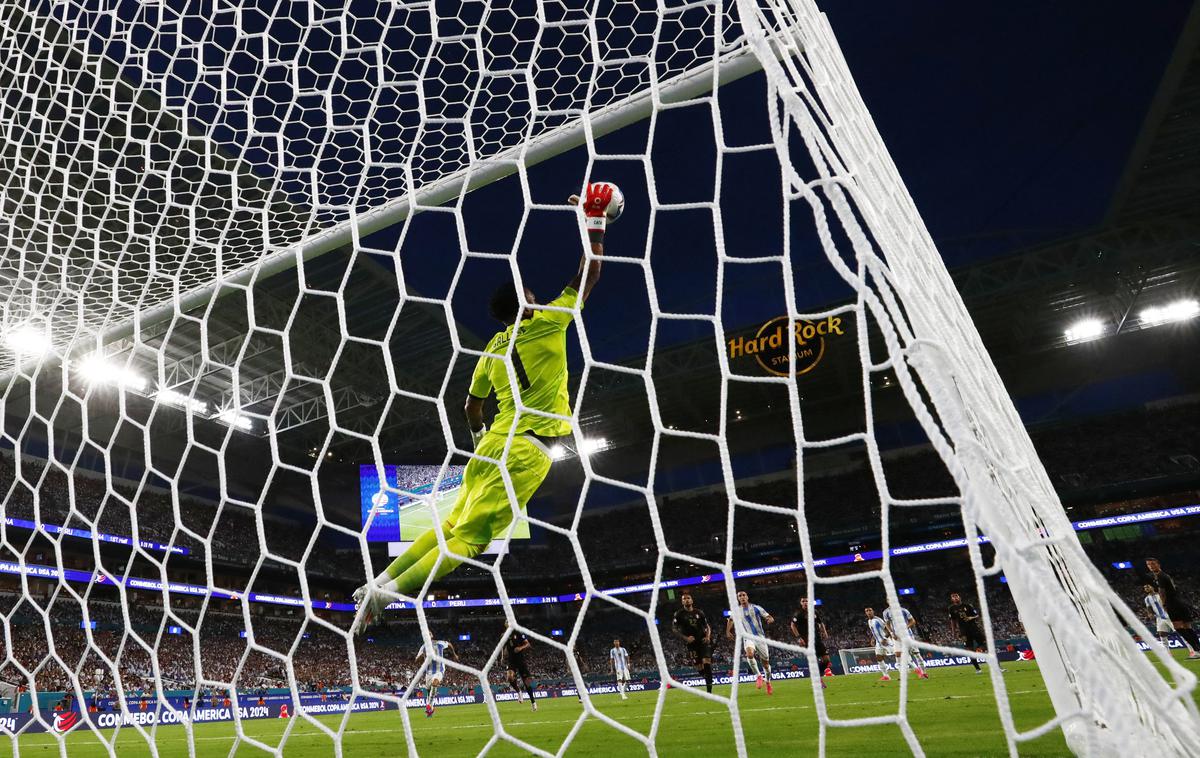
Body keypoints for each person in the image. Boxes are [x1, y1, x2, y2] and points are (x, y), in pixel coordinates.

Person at [353, 182, 617, 630]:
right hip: (526, 449)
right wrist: (594, 221)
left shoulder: (490, 351)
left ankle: (378, 580)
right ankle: (388, 595)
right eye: (531, 292)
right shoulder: (548, 324)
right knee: (471, 541)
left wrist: (482, 441)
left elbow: (470, 407)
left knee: (450, 527)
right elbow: (590, 271)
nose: (537, 294)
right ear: (527, 304)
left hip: (490, 446)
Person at [1146, 558, 1200, 658]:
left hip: (1173, 604)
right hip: (1179, 603)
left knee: (1179, 628)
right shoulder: (1165, 575)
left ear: (1158, 564)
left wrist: (1164, 605)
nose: (1151, 566)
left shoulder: (1160, 576)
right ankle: (1197, 649)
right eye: (1148, 565)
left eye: (1153, 564)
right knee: (1188, 628)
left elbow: (1162, 592)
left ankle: (1196, 650)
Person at [726, 591, 774, 695]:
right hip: (748, 637)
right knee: (749, 654)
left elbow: (768, 616)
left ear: (747, 597)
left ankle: (768, 682)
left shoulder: (757, 608)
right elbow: (730, 620)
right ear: (738, 598)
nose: (742, 597)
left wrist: (770, 619)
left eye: (744, 595)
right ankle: (758, 676)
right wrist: (728, 631)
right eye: (740, 596)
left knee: (765, 664)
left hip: (760, 638)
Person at [672, 592, 714, 693]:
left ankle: (709, 690)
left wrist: (708, 636)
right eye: (684, 598)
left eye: (688, 598)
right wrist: (686, 638)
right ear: (682, 601)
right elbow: (674, 629)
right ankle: (708, 677)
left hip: (703, 641)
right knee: (699, 667)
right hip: (691, 644)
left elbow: (707, 626)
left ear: (692, 600)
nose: (686, 600)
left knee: (706, 662)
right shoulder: (679, 614)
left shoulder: (699, 612)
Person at [947, 592, 994, 673]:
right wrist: (953, 632)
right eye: (953, 597)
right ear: (952, 599)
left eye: (956, 596)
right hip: (964, 632)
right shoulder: (951, 608)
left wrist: (970, 618)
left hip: (974, 629)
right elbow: (952, 621)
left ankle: (980, 651)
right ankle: (978, 669)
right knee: (969, 650)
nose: (955, 598)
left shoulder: (968, 605)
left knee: (985, 645)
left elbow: (977, 615)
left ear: (959, 597)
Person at [790, 597, 831, 688]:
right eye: (803, 601)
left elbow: (821, 622)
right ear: (801, 603)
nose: (805, 602)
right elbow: (793, 625)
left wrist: (824, 632)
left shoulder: (814, 612)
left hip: (817, 639)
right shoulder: (798, 614)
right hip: (807, 640)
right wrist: (799, 638)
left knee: (826, 659)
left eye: (807, 601)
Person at [882, 605, 929, 679]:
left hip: (908, 636)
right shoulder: (886, 612)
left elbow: (913, 621)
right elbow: (887, 624)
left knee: (916, 654)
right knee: (898, 655)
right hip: (897, 638)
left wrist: (906, 627)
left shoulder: (904, 610)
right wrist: (891, 633)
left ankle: (924, 673)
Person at [414, 639, 458, 717]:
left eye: (430, 633)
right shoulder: (423, 647)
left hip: (439, 669)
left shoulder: (439, 643)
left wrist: (454, 654)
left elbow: (450, 644)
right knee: (428, 691)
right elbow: (416, 660)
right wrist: (422, 655)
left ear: (431, 635)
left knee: (435, 683)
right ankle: (431, 709)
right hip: (429, 672)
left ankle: (429, 705)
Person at [503, 626, 538, 711]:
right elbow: (504, 647)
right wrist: (502, 656)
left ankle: (533, 702)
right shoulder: (504, 635)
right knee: (510, 677)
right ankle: (519, 692)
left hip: (521, 661)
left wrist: (520, 648)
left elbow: (527, 644)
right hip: (511, 661)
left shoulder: (519, 633)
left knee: (527, 683)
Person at [864, 607, 895, 681]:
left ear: (873, 611)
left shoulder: (878, 620)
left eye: (870, 610)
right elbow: (874, 632)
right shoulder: (869, 621)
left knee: (898, 655)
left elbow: (888, 630)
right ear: (865, 613)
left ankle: (916, 668)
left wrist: (885, 639)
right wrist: (872, 639)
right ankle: (886, 676)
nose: (868, 612)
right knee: (878, 657)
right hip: (879, 643)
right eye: (867, 611)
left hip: (886, 642)